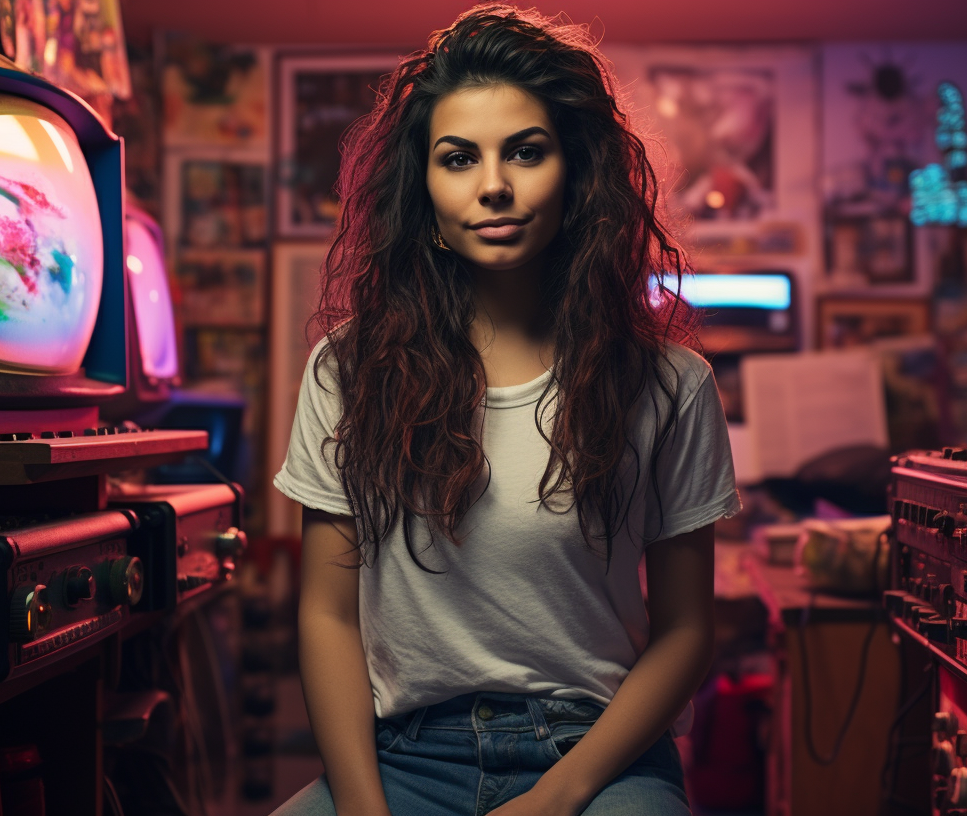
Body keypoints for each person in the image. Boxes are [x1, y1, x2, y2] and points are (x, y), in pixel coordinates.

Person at [271, 6, 739, 815]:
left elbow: (687, 632)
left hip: (598, 759)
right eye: (458, 159)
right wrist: (363, 807)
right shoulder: (346, 372)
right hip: (403, 758)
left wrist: (559, 797)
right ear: (424, 193)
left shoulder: (671, 384)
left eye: (526, 151)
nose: (493, 184)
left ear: (578, 175)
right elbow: (326, 616)